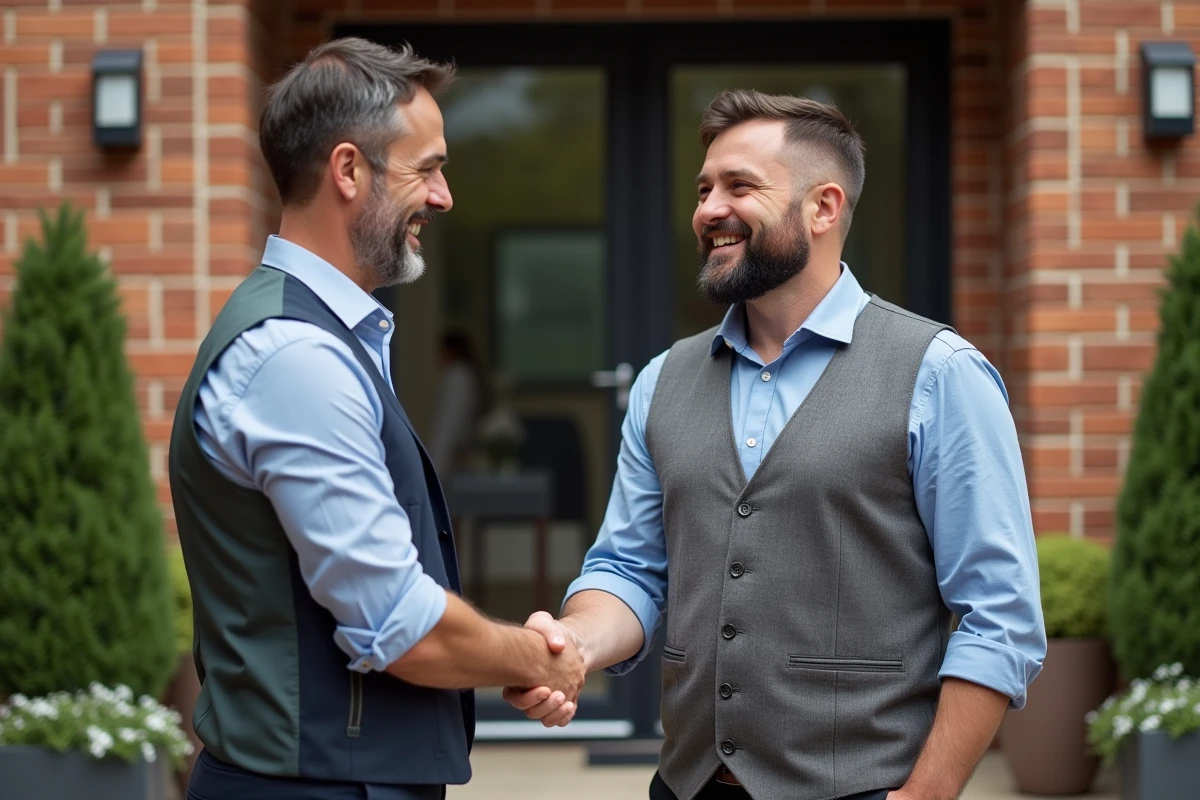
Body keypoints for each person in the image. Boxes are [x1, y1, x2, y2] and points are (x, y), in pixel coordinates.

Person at [505, 89, 1047, 800]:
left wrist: (927, 793)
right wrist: (573, 645)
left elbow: (999, 614)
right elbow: (629, 569)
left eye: (739, 186)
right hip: (688, 785)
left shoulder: (939, 375)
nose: (708, 209)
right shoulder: (662, 380)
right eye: (703, 189)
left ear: (823, 208)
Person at [167, 37, 583, 800]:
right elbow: (400, 626)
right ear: (349, 170)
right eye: (426, 168)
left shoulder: (326, 338)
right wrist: (537, 658)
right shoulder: (296, 357)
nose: (444, 196)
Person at [428, 329, 484, 477]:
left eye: (441, 351)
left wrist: (437, 463)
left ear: (452, 351)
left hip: (451, 460)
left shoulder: (457, 377)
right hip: (454, 457)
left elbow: (449, 422)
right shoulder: (462, 375)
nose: (438, 356)